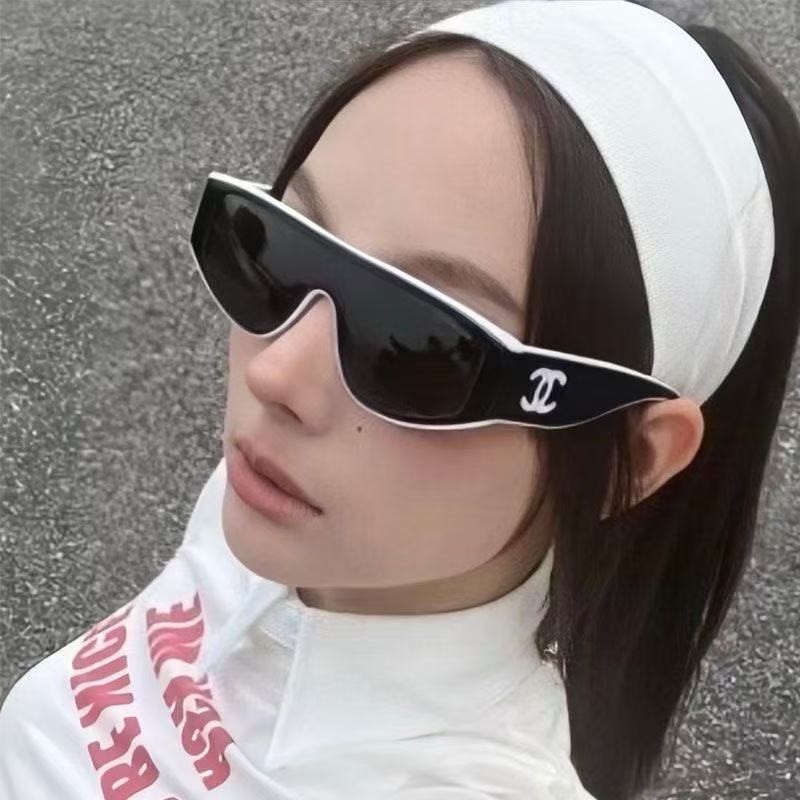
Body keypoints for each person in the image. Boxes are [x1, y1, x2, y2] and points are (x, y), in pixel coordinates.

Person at [1, 2, 798, 799]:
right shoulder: (289, 512)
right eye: (276, 250)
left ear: (630, 456)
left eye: (416, 342)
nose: (277, 374)